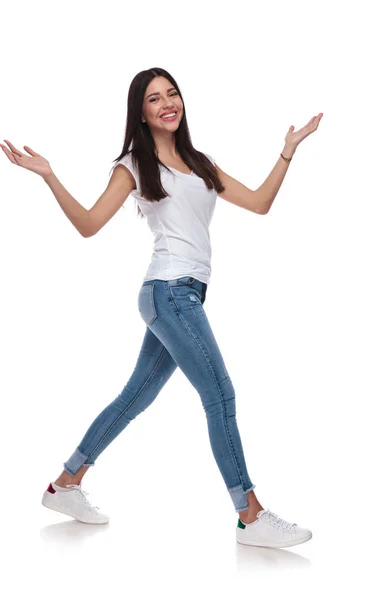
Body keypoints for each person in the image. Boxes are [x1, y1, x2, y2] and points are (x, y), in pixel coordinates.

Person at [1, 67, 322, 548]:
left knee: (135, 397)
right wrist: (50, 176)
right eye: (155, 99)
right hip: (169, 292)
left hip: (182, 294)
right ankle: (249, 515)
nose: (167, 103)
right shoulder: (133, 164)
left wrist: (287, 152)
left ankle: (66, 484)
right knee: (220, 395)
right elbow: (89, 224)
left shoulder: (199, 161)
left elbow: (258, 203)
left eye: (172, 93)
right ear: (142, 112)